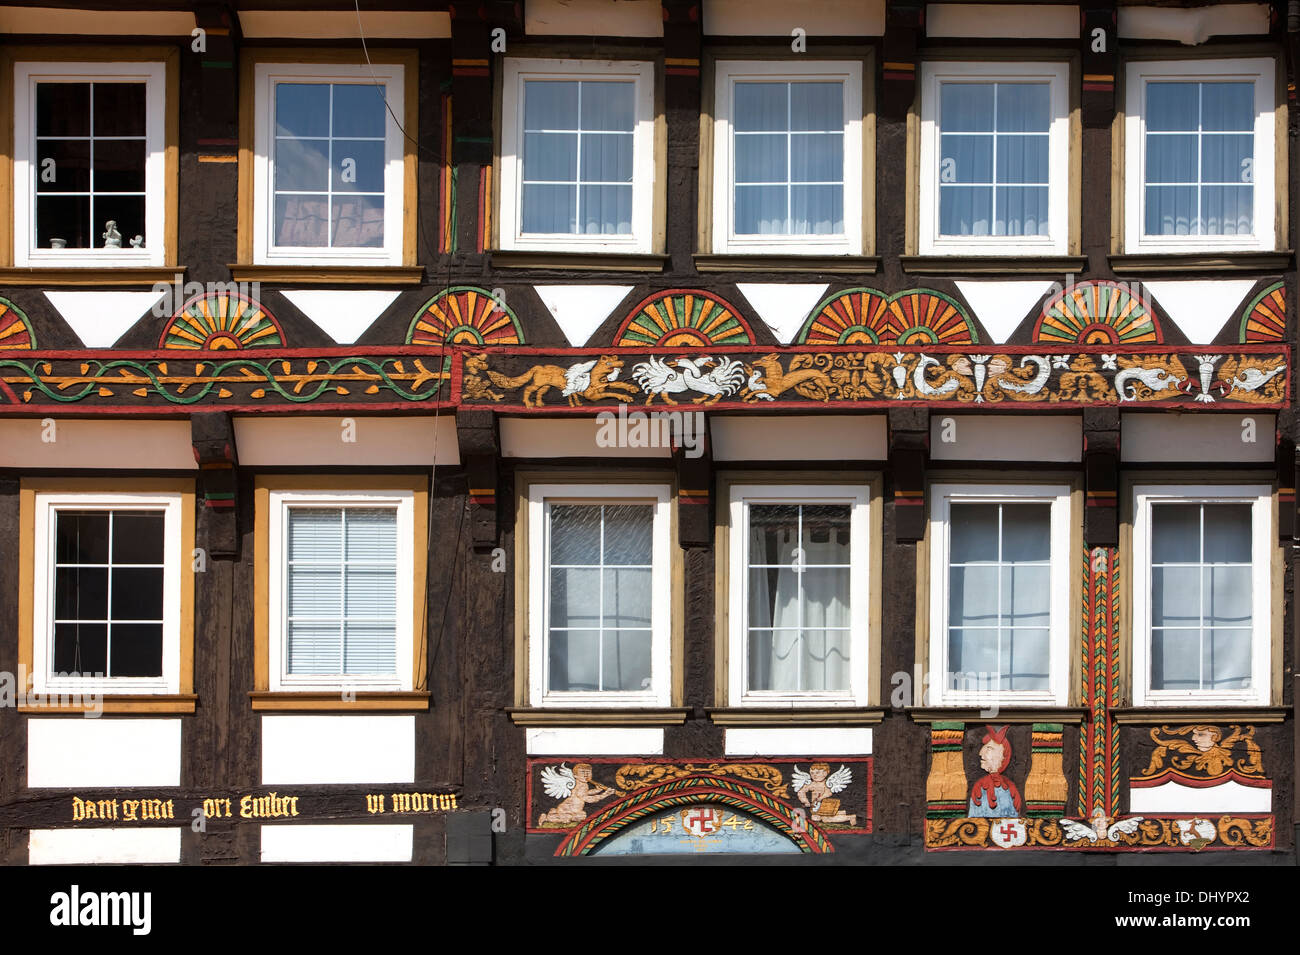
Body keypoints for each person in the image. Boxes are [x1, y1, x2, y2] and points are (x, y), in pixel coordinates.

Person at [968, 725, 1023, 818]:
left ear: (1003, 755)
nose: (981, 753)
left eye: (989, 748)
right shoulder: (979, 787)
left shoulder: (1010, 788)